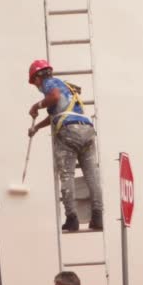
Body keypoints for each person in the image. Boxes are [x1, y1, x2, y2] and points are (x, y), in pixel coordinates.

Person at [27, 59, 103, 231]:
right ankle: (98, 217)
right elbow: (58, 113)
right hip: (86, 130)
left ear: (38, 77)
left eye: (34, 81)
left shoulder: (50, 83)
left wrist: (36, 106)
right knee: (92, 175)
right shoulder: (67, 87)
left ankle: (72, 218)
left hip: (69, 132)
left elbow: (53, 97)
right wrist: (37, 127)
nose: (36, 85)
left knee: (67, 175)